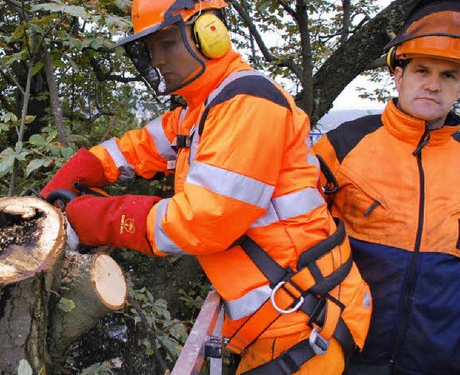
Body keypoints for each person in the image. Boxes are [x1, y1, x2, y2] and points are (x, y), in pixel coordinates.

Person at [42, 0, 371, 373]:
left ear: (208, 33)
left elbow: (203, 222)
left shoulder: (249, 104)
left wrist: (93, 218)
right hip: (279, 319)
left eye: (166, 44)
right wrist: (82, 171)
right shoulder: (199, 110)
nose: (157, 61)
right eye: (151, 50)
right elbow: (137, 148)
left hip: (305, 323)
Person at [312, 1, 460, 374]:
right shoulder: (342, 145)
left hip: (439, 358)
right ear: (398, 73)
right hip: (349, 350)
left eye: (449, 75)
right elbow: (290, 228)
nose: (432, 84)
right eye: (422, 70)